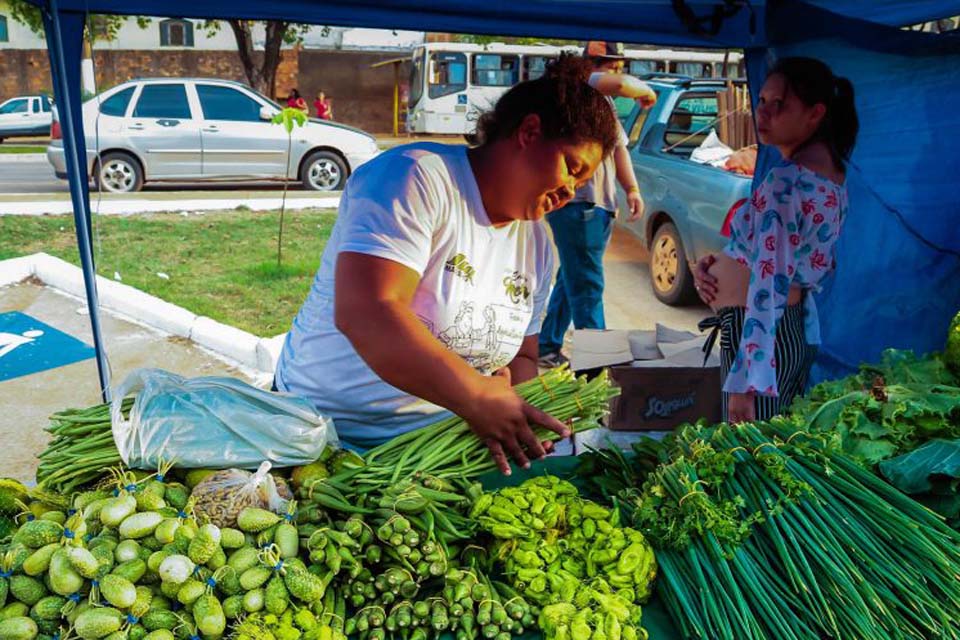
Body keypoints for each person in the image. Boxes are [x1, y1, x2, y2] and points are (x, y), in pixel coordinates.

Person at [274, 55, 620, 474]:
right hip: (323, 440)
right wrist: (475, 395)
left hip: (435, 453)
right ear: (529, 132)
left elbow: (524, 357)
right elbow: (367, 310)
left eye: (580, 185)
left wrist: (527, 413)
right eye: (571, 168)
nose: (569, 192)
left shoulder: (537, 246)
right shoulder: (418, 178)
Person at [693, 57, 859, 424]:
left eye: (778, 104)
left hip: (760, 338)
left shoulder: (786, 182)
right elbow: (805, 262)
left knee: (752, 459)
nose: (763, 113)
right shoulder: (832, 175)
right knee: (771, 448)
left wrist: (746, 379)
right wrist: (718, 264)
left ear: (815, 114)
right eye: (762, 102)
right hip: (780, 332)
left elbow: (770, 282)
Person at [537, 41, 657, 367]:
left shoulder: (603, 104)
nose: (617, 73)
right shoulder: (578, 88)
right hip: (578, 205)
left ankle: (546, 345)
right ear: (590, 66)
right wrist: (646, 92)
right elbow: (621, 85)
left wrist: (631, 189)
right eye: (611, 66)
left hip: (598, 206)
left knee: (573, 276)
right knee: (588, 286)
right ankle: (596, 366)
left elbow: (619, 149)